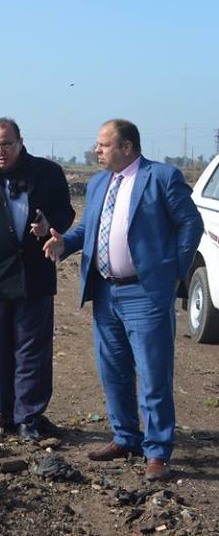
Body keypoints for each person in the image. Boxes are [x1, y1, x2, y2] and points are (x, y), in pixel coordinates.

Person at [43, 119, 203, 481]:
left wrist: (174, 272)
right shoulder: (100, 182)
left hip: (145, 293)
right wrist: (64, 243)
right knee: (112, 370)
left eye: (103, 145)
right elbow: (90, 228)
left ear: (127, 147)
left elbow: (190, 223)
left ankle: (158, 451)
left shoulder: (161, 177)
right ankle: (126, 437)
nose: (96, 150)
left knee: (152, 374)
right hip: (105, 291)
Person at [0, 118, 75, 442]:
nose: (0, 151)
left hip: (35, 275)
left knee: (32, 350)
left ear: (20, 142)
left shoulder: (48, 173)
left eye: (6, 144)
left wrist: (49, 222)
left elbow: (66, 212)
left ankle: (28, 417)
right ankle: (2, 412)